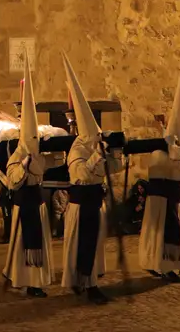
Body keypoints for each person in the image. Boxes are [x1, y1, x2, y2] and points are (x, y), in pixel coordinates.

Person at [2, 58, 62, 298]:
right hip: (23, 204)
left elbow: (55, 163)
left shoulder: (38, 154)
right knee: (21, 245)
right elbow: (12, 180)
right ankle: (22, 278)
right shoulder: (16, 155)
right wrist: (24, 165)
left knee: (38, 243)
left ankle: (37, 281)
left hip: (37, 204)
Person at [60, 55, 112, 304]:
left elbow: (112, 170)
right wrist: (96, 156)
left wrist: (113, 156)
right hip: (81, 205)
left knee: (94, 245)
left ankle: (89, 279)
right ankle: (85, 283)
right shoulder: (78, 149)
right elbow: (79, 175)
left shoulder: (95, 143)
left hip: (95, 201)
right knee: (81, 244)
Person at [140, 69, 180, 283]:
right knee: (160, 236)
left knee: (168, 234)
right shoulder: (159, 156)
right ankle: (163, 266)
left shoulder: (169, 157)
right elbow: (179, 170)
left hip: (170, 199)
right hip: (160, 203)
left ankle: (165, 265)